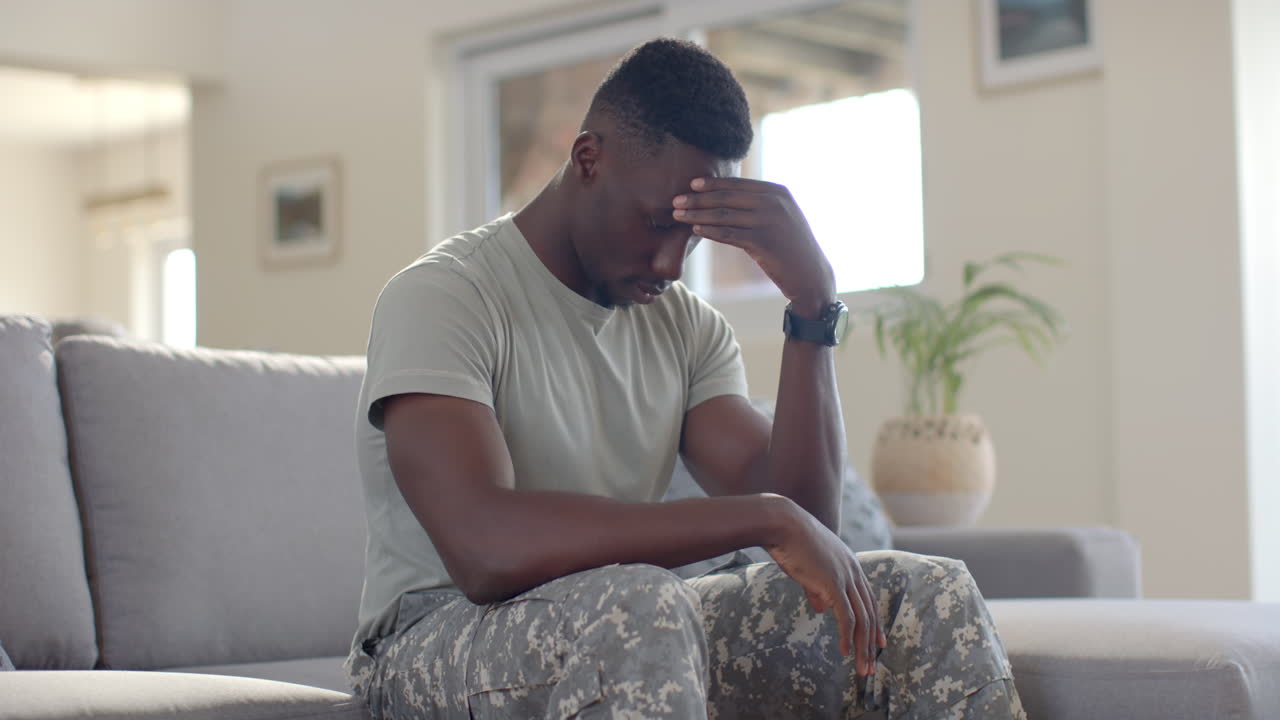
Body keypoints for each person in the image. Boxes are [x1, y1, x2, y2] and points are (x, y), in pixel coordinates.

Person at [345, 37, 1026, 719]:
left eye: (694, 234)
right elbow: (484, 548)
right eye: (656, 223)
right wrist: (762, 516)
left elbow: (810, 529)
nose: (672, 263)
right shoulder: (444, 297)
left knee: (920, 593)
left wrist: (813, 311)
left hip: (626, 621)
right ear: (589, 158)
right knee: (640, 603)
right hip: (431, 642)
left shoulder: (687, 327)